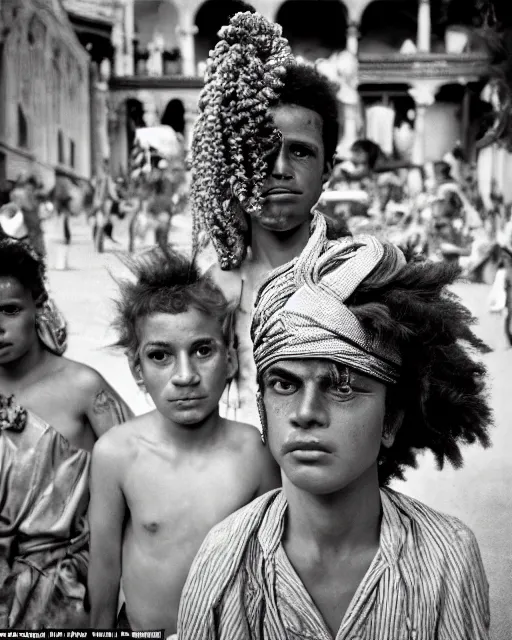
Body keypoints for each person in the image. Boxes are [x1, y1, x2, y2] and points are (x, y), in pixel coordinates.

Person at [177, 214, 493, 639]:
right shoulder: (224, 557)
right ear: (262, 406)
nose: (306, 412)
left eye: (343, 388)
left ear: (391, 419)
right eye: (284, 384)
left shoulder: (446, 559)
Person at [87, 248, 280, 636]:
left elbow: (272, 569)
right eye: (161, 356)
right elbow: (104, 569)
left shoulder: (254, 452)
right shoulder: (116, 454)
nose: (185, 376)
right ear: (137, 370)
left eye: (203, 350)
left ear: (230, 360)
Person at [191, 11, 340, 427]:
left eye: (300, 151)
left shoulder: (361, 276)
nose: (278, 169)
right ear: (232, 159)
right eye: (261, 149)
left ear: (328, 167)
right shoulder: (209, 291)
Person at [0, 238, 132, 629]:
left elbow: (140, 477)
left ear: (37, 307)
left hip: (68, 594)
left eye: (9, 310)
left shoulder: (83, 388)